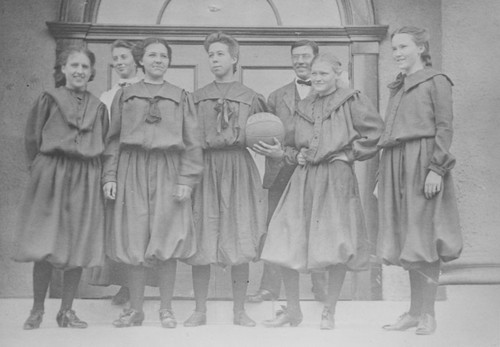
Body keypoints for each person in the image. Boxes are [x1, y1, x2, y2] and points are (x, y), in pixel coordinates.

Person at [261, 52, 383, 329]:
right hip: (304, 178)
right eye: (314, 74)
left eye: (323, 74)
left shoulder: (352, 100)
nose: (317, 78)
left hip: (336, 178)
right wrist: (293, 155)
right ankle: (293, 310)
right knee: (284, 239)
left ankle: (329, 310)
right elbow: (291, 143)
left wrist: (350, 154)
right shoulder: (303, 105)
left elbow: (375, 133)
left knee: (335, 242)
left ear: (337, 75)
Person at [103, 37, 203, 328]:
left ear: (169, 62)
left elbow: (193, 142)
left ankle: (166, 309)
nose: (158, 60)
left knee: (167, 238)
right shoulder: (126, 95)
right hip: (131, 168)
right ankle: (136, 310)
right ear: (141, 60)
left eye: (163, 56)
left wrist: (186, 179)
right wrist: (110, 175)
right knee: (134, 239)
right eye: (152, 55)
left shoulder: (181, 95)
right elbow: (112, 140)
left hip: (168, 168)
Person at [14, 46, 109, 329]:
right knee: (45, 242)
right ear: (63, 69)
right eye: (74, 65)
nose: (79, 71)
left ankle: (66, 311)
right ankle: (37, 310)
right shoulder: (48, 99)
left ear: (92, 72)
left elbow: (103, 143)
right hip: (51, 174)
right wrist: (42, 171)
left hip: (86, 176)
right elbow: (32, 139)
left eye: (84, 66)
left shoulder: (99, 107)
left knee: (78, 242)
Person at [377, 26, 462, 335]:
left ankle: (428, 313)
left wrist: (436, 169)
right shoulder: (397, 86)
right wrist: (381, 175)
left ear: (421, 48)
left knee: (425, 237)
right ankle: (413, 312)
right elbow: (391, 132)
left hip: (423, 163)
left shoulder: (437, 81)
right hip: (397, 163)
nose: (397, 53)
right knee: (409, 239)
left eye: (403, 47)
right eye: (394, 49)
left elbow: (444, 127)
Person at [184, 32, 267, 327]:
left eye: (220, 54)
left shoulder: (252, 98)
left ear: (234, 58)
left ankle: (239, 311)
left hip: (238, 168)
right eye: (211, 55)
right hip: (205, 168)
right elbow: (188, 139)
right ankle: (199, 309)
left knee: (239, 236)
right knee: (202, 238)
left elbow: (266, 136)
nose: (215, 59)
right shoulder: (196, 97)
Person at [249, 39, 327, 304]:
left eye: (306, 56)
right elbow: (267, 132)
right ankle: (269, 288)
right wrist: (269, 150)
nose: (300, 61)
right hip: (282, 170)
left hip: (315, 168)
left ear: (316, 59)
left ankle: (321, 287)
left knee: (316, 226)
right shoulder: (276, 96)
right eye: (296, 57)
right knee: (276, 230)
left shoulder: (327, 93)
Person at [89, 39, 151, 306]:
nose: (119, 62)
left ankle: (134, 287)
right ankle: (123, 284)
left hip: (140, 165)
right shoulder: (107, 94)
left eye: (124, 57)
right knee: (118, 227)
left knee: (139, 227)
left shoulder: (143, 89)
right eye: (115, 58)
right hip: (114, 161)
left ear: (136, 60)